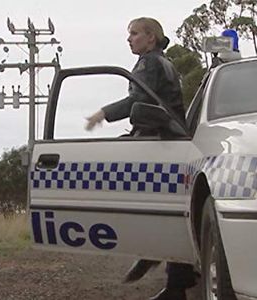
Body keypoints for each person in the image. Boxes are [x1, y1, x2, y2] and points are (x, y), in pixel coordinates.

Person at [85, 17, 197, 300]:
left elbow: (137, 102)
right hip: (168, 142)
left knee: (139, 201)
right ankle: (173, 278)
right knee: (169, 211)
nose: (129, 38)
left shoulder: (149, 63)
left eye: (134, 33)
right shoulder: (165, 62)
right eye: (129, 34)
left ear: (151, 37)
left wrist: (102, 114)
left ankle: (152, 251)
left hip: (159, 144)